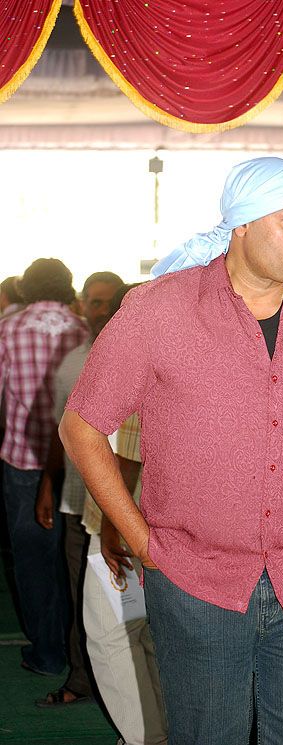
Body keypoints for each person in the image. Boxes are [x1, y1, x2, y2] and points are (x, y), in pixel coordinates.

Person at [59, 157, 283, 745]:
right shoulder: (158, 310)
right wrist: (142, 539)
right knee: (207, 735)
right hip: (195, 582)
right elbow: (82, 427)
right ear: (242, 223)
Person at [34, 271, 124, 706]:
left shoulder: (148, 358)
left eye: (109, 302)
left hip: (136, 508)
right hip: (79, 503)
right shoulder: (73, 362)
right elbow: (60, 432)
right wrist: (47, 486)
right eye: (94, 301)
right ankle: (83, 679)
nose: (102, 310)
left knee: (137, 611)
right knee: (85, 600)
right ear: (81, 305)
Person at [0, 258, 88, 676]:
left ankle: (48, 653)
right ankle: (79, 652)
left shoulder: (7, 329)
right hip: (76, 461)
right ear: (68, 286)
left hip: (25, 458)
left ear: (25, 288)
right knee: (74, 561)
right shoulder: (84, 329)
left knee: (33, 559)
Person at [83, 411, 167, 745]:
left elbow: (130, 450)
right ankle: (162, 732)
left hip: (127, 517)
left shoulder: (137, 372)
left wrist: (110, 526)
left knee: (111, 636)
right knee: (143, 635)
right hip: (157, 517)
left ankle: (148, 738)